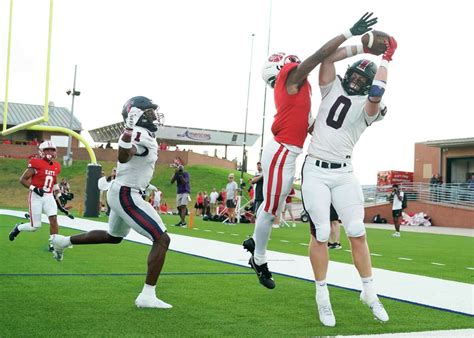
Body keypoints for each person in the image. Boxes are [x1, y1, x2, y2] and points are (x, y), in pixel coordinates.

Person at [243, 13, 377, 292]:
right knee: (270, 209)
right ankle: (259, 257)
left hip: (288, 152)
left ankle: (256, 243)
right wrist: (351, 35)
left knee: (272, 209)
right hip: (282, 151)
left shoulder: (297, 90)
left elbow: (309, 125)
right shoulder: (290, 78)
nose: (295, 63)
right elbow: (320, 56)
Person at [300, 16, 394, 326]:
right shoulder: (331, 87)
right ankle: (321, 294)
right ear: (350, 73)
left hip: (343, 172)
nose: (355, 82)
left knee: (356, 230)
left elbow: (378, 92)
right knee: (323, 233)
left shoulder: (369, 108)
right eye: (354, 76)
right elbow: (326, 57)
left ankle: (369, 291)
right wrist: (359, 44)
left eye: (361, 81)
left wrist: (386, 59)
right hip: (314, 169)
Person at [51, 96, 172, 309]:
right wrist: (128, 130)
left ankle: (64, 241)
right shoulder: (139, 134)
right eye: (150, 112)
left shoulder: (142, 133)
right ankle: (147, 296)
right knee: (161, 239)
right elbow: (125, 156)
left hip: (121, 190)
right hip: (127, 193)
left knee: (113, 237)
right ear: (137, 115)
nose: (154, 115)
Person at [8, 140, 72, 258]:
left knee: (53, 219)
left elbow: (54, 183)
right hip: (36, 196)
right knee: (34, 227)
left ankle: (53, 243)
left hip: (48, 196)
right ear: (42, 151)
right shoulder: (36, 163)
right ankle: (18, 227)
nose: (50, 152)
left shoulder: (56, 166)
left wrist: (59, 195)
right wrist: (35, 188)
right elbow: (22, 179)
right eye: (47, 150)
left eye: (52, 150)